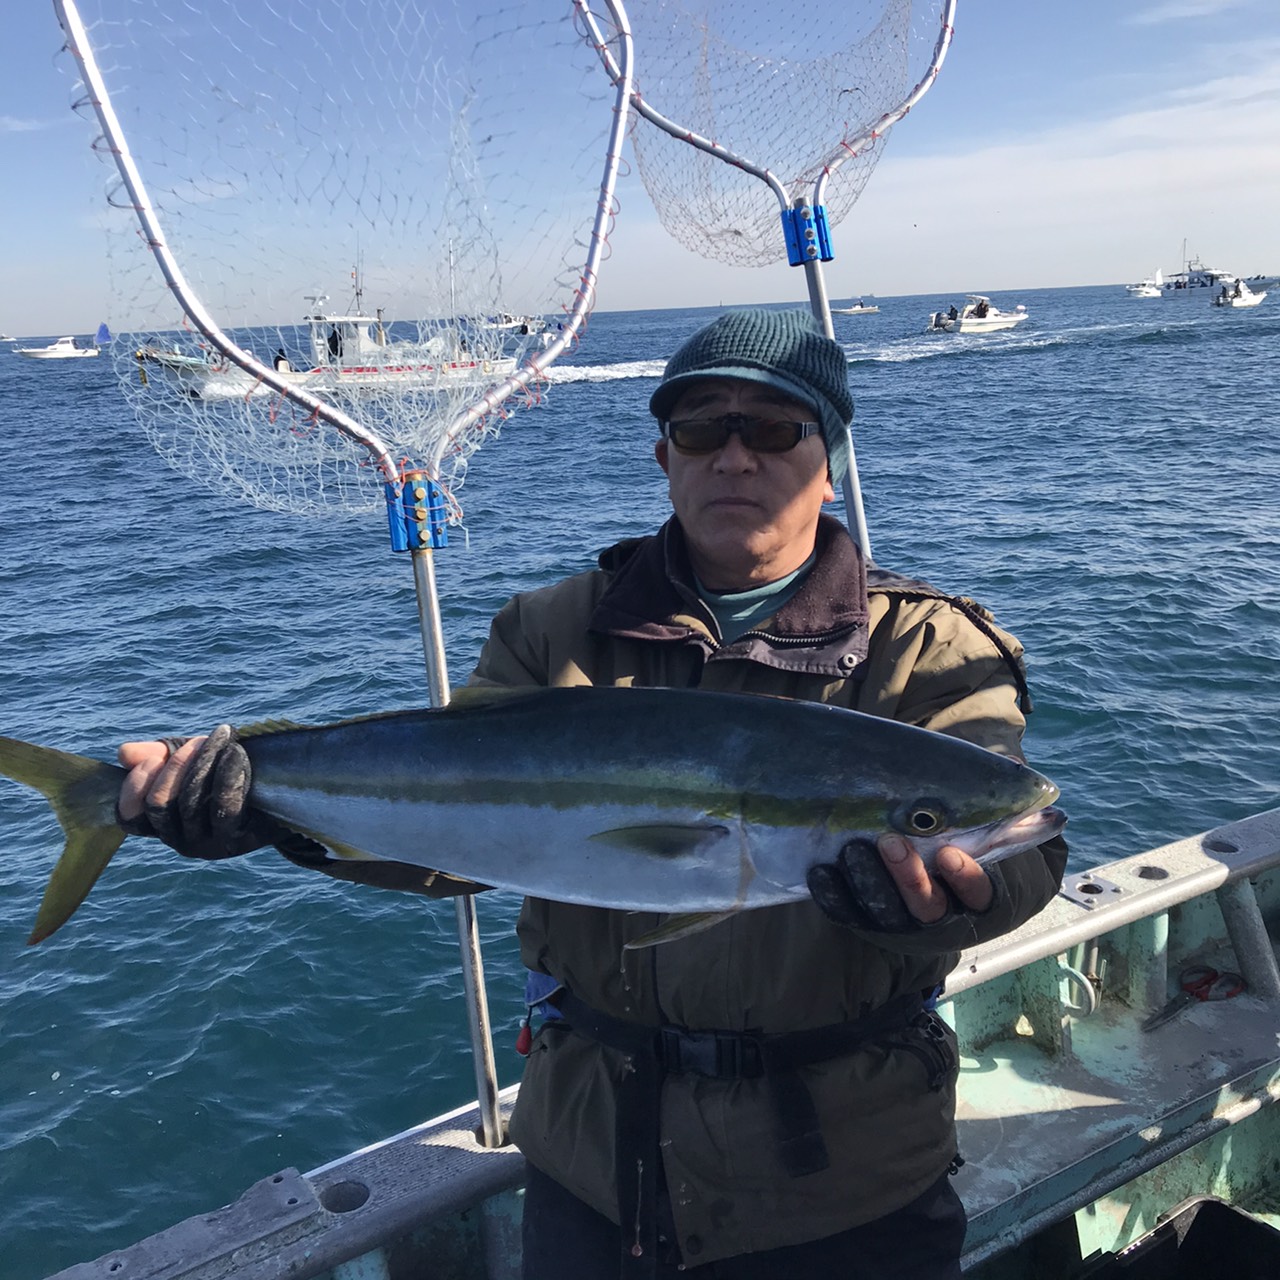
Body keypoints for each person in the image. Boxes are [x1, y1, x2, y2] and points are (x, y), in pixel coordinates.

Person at [116, 308, 1067, 1279]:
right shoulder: (551, 629)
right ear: (664, 458)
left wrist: (959, 892)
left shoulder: (927, 646)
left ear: (828, 462)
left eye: (774, 429)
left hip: (833, 1177)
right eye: (702, 430)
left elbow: (1023, 842)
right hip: (591, 1161)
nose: (735, 458)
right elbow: (457, 837)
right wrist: (276, 816)